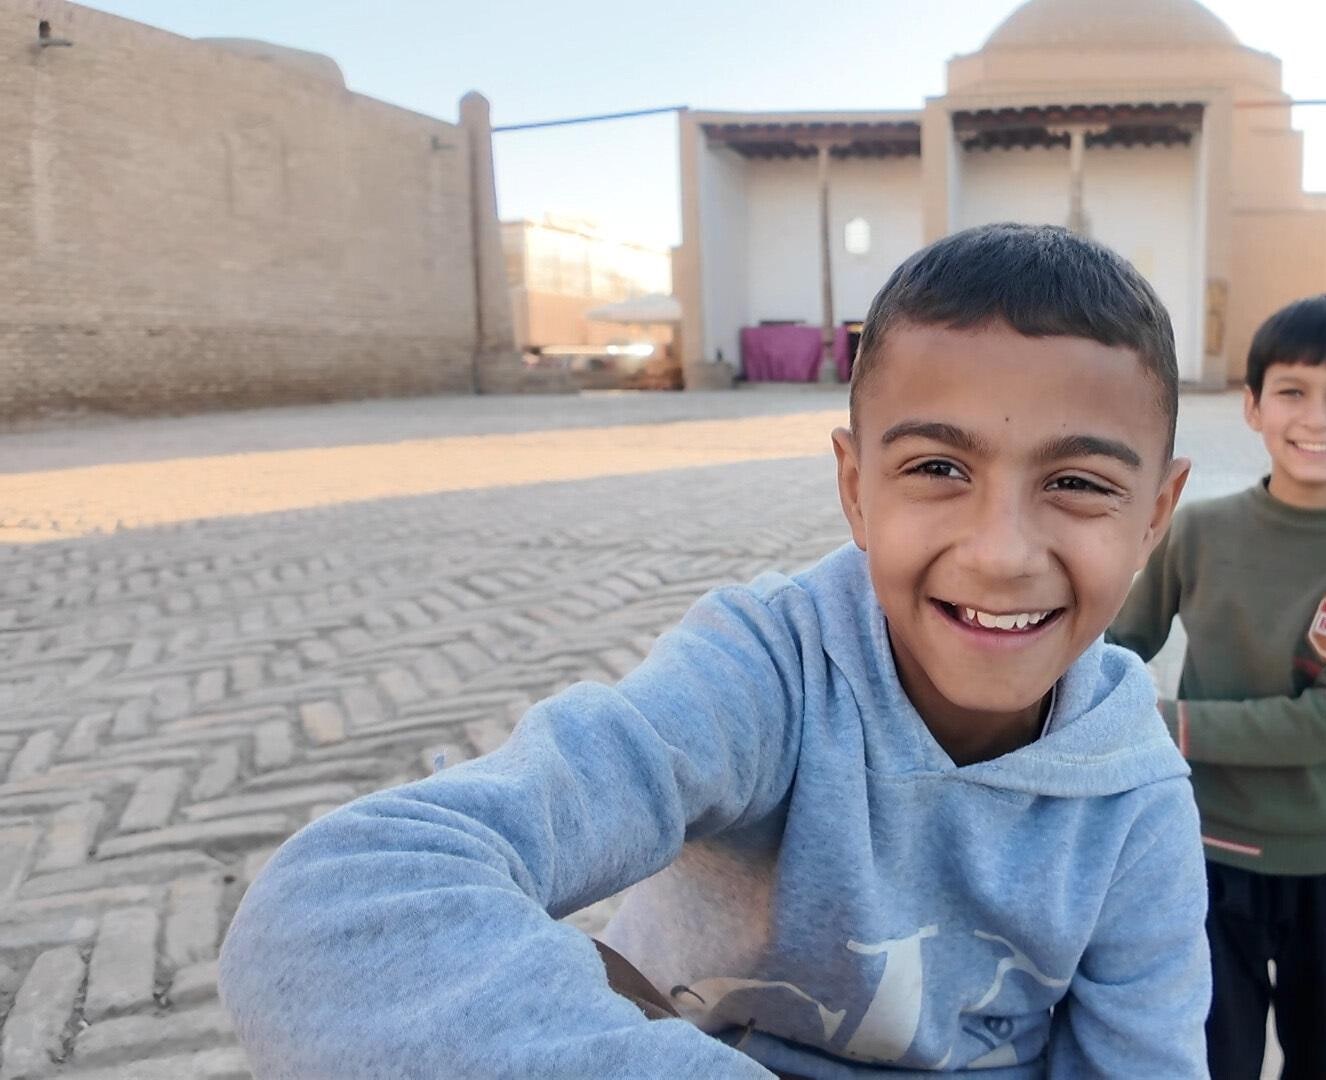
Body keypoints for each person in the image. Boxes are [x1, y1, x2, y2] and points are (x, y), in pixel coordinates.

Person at [218, 224, 1210, 1078]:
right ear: (856, 490)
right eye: (939, 467)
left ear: (1156, 514)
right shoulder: (767, 673)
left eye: (1079, 484)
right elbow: (335, 908)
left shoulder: (1136, 800)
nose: (1000, 554)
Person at [1108, 294, 1326, 1080]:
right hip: (1203, 851)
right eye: (1292, 391)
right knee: (1214, 1059)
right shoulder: (1199, 530)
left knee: (1319, 1057)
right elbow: (1118, 644)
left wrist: (1156, 723)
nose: (1316, 418)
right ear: (1253, 406)